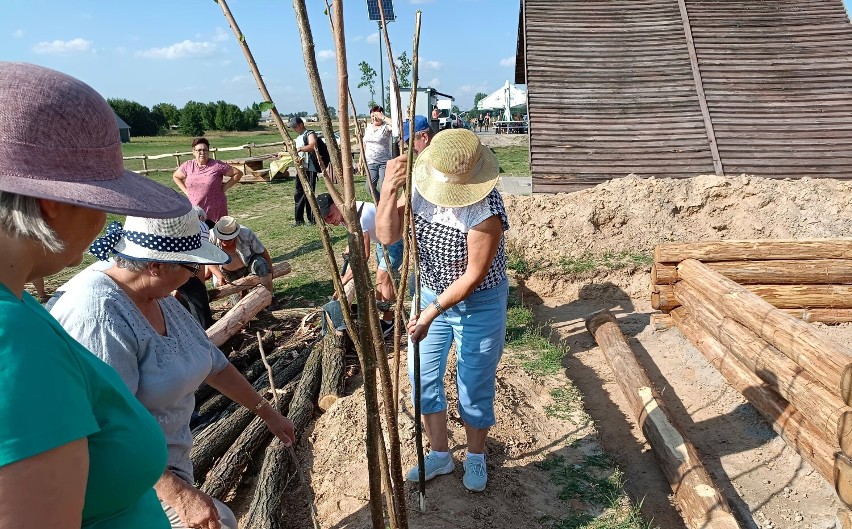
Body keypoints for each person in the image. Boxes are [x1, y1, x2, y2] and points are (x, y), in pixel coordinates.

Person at [0, 61, 191, 528]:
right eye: (103, 204)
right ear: (55, 204)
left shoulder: (22, 307)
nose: (104, 223)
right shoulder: (12, 338)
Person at [50, 211, 295, 529]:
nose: (197, 275)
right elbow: (107, 429)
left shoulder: (155, 293)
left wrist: (267, 413)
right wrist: (177, 494)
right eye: (192, 266)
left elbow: (214, 364)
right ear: (156, 265)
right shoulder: (99, 315)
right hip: (119, 481)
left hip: (161, 463)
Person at [377, 128, 508, 493]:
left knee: (473, 382)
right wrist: (389, 189)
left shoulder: (486, 210)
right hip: (431, 293)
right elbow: (388, 237)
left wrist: (430, 311)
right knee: (422, 375)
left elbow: (471, 277)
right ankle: (439, 453)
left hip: (478, 303)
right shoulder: (421, 190)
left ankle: (477, 456)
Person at [316, 193, 402, 336]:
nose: (329, 221)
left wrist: (344, 280)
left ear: (337, 205)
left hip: (395, 238)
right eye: (325, 219)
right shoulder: (345, 215)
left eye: (330, 215)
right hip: (381, 239)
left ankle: (389, 322)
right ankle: (383, 313)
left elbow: (364, 257)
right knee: (381, 278)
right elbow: (358, 237)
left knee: (383, 276)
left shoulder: (357, 216)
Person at [172, 138, 243, 227]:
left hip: (215, 209)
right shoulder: (188, 166)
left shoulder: (216, 165)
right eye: (199, 150)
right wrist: (186, 191)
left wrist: (224, 188)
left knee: (217, 236)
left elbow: (237, 173)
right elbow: (176, 176)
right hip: (195, 210)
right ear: (193, 152)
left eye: (205, 150)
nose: (202, 153)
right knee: (199, 236)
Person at [174, 205, 215, 329]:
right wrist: (200, 282)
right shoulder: (201, 226)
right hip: (178, 265)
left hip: (178, 264)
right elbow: (199, 256)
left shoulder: (177, 224)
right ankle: (204, 328)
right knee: (196, 293)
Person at [209, 216, 274, 294]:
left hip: (248, 263)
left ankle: (269, 296)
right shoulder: (211, 237)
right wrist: (218, 275)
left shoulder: (246, 234)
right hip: (227, 271)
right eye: (221, 238)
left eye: (228, 240)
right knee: (237, 300)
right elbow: (210, 261)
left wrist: (270, 270)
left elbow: (262, 251)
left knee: (262, 265)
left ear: (235, 235)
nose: (224, 242)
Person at [289, 116, 320, 226]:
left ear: (301, 124)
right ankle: (299, 220)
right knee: (298, 194)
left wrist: (300, 149)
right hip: (301, 168)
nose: (294, 129)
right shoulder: (298, 137)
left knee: (309, 194)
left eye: (295, 126)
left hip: (310, 168)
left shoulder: (309, 133)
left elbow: (313, 145)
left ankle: (312, 219)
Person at [362, 105, 392, 202]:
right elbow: (364, 144)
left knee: (384, 188)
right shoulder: (368, 127)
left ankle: (386, 206)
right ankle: (380, 203)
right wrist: (360, 160)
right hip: (371, 162)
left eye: (376, 116)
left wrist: (383, 117)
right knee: (369, 187)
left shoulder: (386, 127)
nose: (374, 118)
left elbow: (396, 125)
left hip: (384, 163)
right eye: (372, 116)